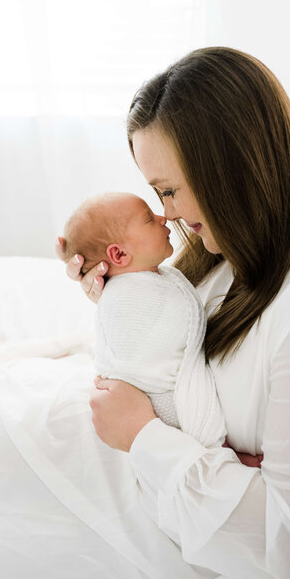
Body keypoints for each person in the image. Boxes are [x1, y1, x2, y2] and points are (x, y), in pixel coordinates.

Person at [56, 46, 290, 579]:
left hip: (121, 484)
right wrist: (124, 298)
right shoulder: (246, 246)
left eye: (169, 191)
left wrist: (143, 436)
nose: (167, 214)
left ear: (234, 166)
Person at [62, 191, 227, 448]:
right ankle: (220, 450)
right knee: (200, 432)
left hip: (150, 405)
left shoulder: (150, 282)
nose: (164, 218)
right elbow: (151, 349)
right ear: (118, 255)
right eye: (149, 219)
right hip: (156, 402)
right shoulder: (125, 296)